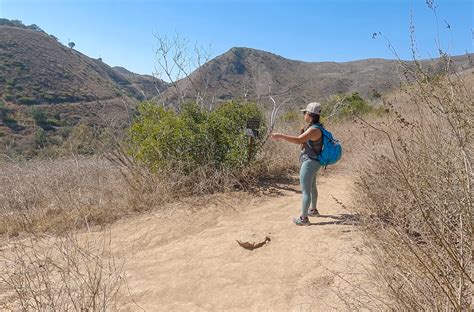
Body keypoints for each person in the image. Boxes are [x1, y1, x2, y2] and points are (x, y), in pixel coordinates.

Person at [271, 102, 323, 226]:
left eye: (305, 113)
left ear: (310, 115)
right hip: (316, 162)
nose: (303, 115)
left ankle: (304, 219)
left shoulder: (313, 129)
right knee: (312, 187)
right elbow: (304, 142)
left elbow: (299, 140)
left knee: (306, 191)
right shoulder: (318, 127)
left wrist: (280, 136)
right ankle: (313, 210)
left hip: (309, 163)